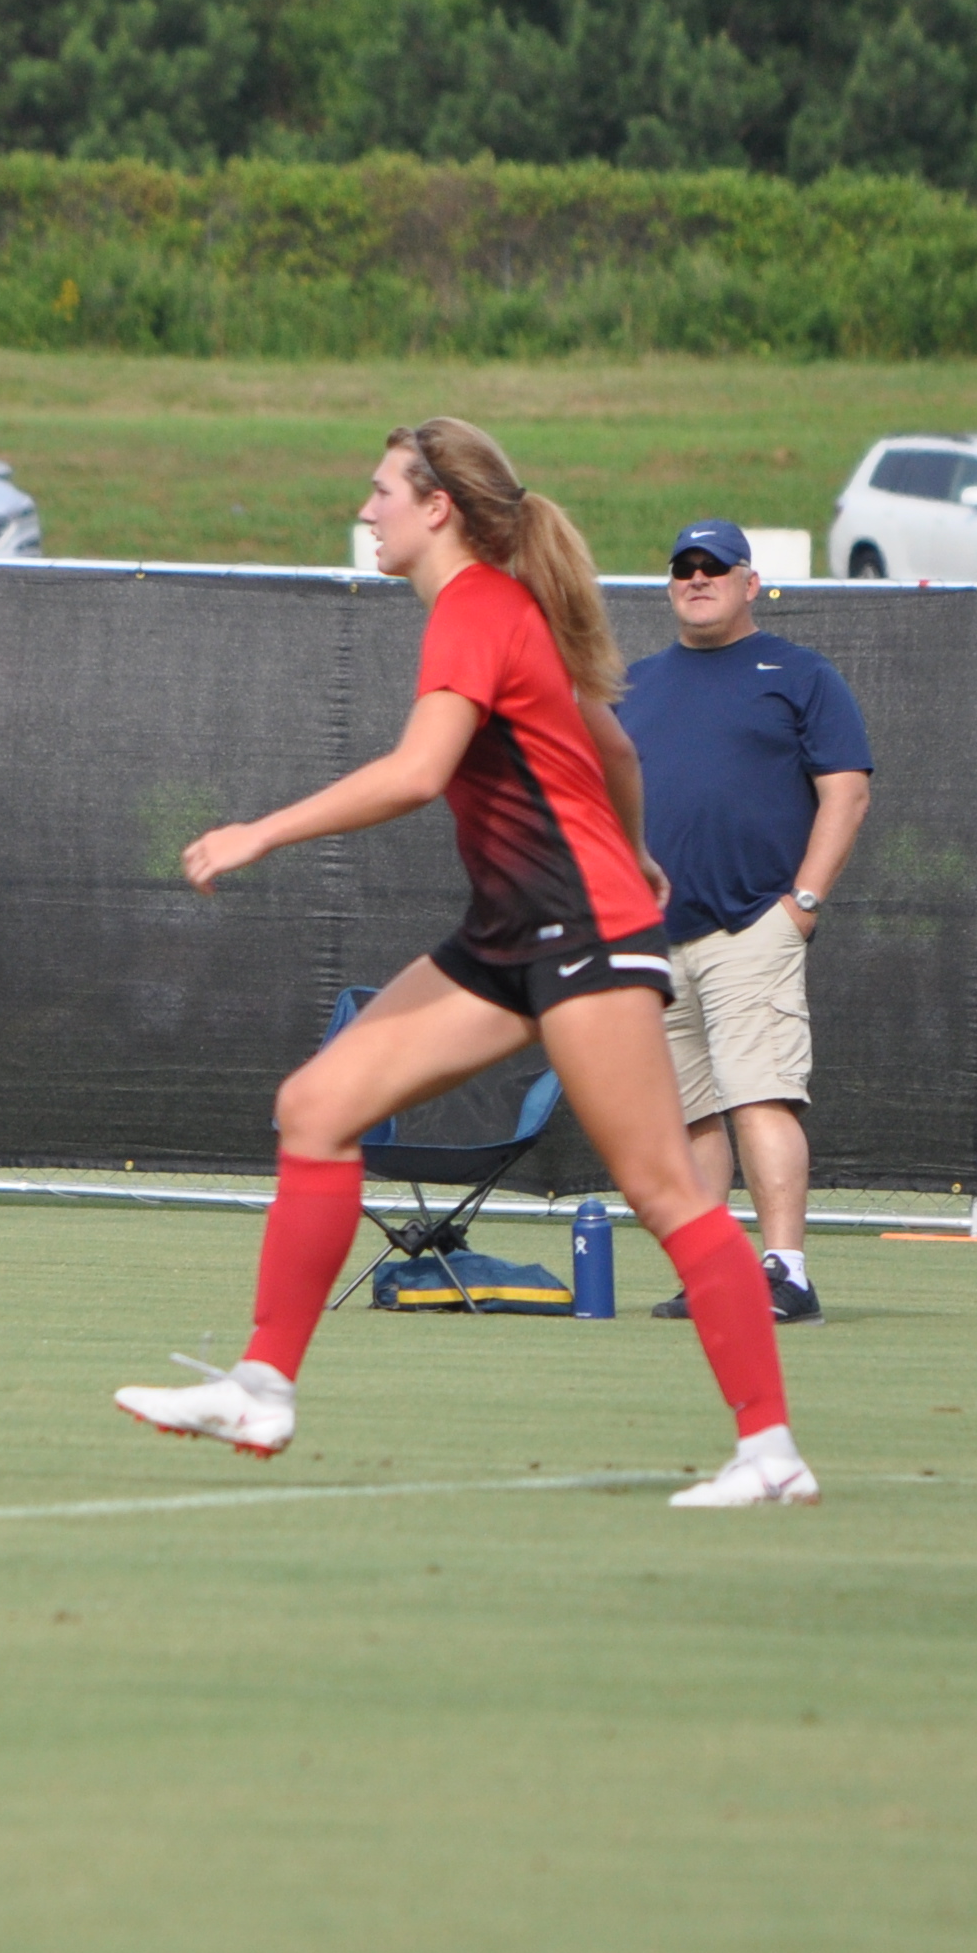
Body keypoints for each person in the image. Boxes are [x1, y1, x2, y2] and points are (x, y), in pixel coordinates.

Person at [116, 420, 815, 1509]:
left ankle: (770, 1453)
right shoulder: (499, 611)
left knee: (664, 1192)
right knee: (317, 1103)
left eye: (381, 489)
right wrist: (632, 846)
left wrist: (259, 832)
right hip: (512, 929)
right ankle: (261, 1385)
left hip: (578, 929)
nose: (366, 509)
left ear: (437, 506)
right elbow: (615, 748)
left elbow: (418, 770)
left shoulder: (479, 607)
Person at [624, 520, 869, 1325]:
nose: (698, 579)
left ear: (749, 582)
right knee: (690, 1111)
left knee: (759, 1094)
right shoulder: (639, 684)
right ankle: (712, 1271)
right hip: (660, 936)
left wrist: (801, 903)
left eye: (714, 567)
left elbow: (847, 792)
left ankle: (786, 1274)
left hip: (753, 923)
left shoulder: (798, 674)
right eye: (683, 568)